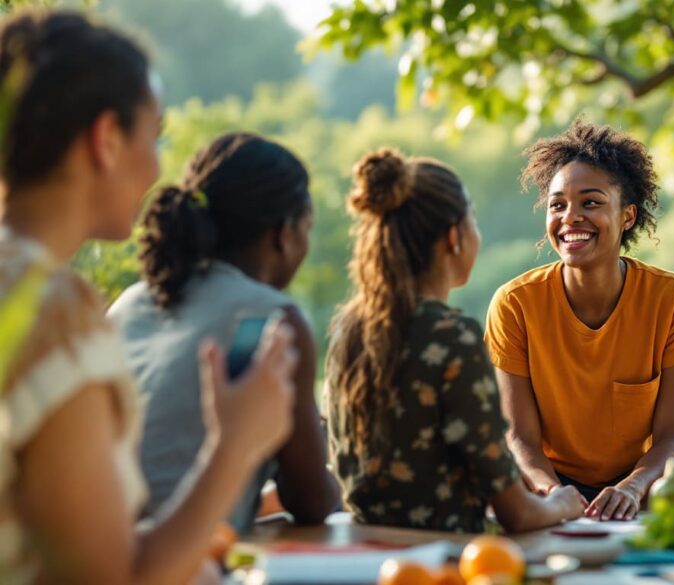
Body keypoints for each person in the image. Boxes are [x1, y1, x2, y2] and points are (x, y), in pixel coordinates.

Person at [0, 11, 296, 584]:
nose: (160, 166)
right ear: (106, 139)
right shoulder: (53, 310)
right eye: (153, 135)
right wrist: (235, 445)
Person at [324, 148, 584, 533]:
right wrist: (562, 503)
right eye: (473, 220)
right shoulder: (453, 337)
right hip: (447, 558)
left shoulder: (349, 331)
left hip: (365, 549)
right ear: (453, 238)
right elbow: (519, 513)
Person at [485, 118, 674, 521]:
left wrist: (632, 487)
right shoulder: (515, 304)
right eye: (557, 204)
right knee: (484, 477)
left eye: (591, 203)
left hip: (643, 479)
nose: (570, 217)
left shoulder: (673, 299)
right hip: (549, 479)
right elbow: (521, 439)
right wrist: (555, 494)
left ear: (628, 216)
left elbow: (671, 437)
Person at [108, 132, 339, 533]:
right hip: (180, 560)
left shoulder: (129, 304)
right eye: (307, 227)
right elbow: (311, 501)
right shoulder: (267, 321)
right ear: (283, 234)